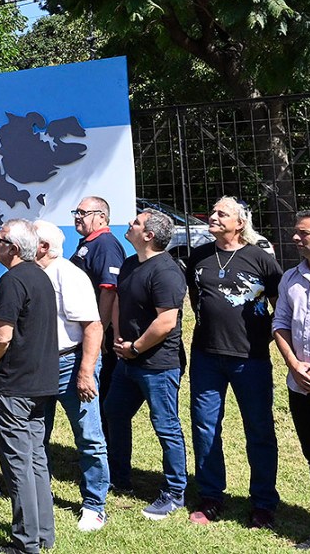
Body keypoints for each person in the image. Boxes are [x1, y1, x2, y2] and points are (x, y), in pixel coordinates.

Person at [186, 197, 281, 528]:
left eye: (220, 213)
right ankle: (211, 496)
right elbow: (197, 301)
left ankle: (263, 503)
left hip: (250, 360)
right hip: (206, 357)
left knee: (259, 430)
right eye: (212, 212)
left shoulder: (260, 259)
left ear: (239, 223)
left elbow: (280, 305)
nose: (212, 216)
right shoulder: (198, 258)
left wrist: (263, 336)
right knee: (204, 426)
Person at [0, 219, 58, 554]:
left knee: (18, 464)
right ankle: (43, 533)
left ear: (12, 248)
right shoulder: (41, 276)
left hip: (13, 384)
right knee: (35, 459)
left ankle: (26, 542)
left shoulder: (11, 281)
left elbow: (2, 335)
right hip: (39, 382)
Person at [107, 209, 188, 520]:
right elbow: (117, 300)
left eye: (136, 223)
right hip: (127, 360)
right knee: (115, 412)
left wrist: (136, 347)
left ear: (149, 236)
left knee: (165, 425)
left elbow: (166, 321)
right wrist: (117, 336)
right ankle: (119, 477)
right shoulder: (130, 263)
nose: (131, 224)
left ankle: (175, 491)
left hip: (158, 364)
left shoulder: (166, 272)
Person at [32, 220, 109, 532]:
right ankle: (39, 493)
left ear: (45, 248)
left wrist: (86, 372)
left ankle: (94, 505)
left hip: (70, 364)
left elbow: (93, 326)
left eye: (30, 239)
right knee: (36, 434)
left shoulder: (69, 275)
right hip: (37, 366)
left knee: (88, 436)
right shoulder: (30, 273)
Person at [274, 209, 310, 551]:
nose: (295, 238)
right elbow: (279, 322)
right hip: (301, 387)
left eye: (303, 233)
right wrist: (294, 365)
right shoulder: (291, 277)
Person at [69, 196, 125, 404]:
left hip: (100, 331)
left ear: (102, 217)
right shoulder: (90, 242)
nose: (78, 217)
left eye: (83, 213)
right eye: (77, 212)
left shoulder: (105, 245)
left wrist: (99, 330)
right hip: (87, 327)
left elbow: (109, 291)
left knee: (102, 395)